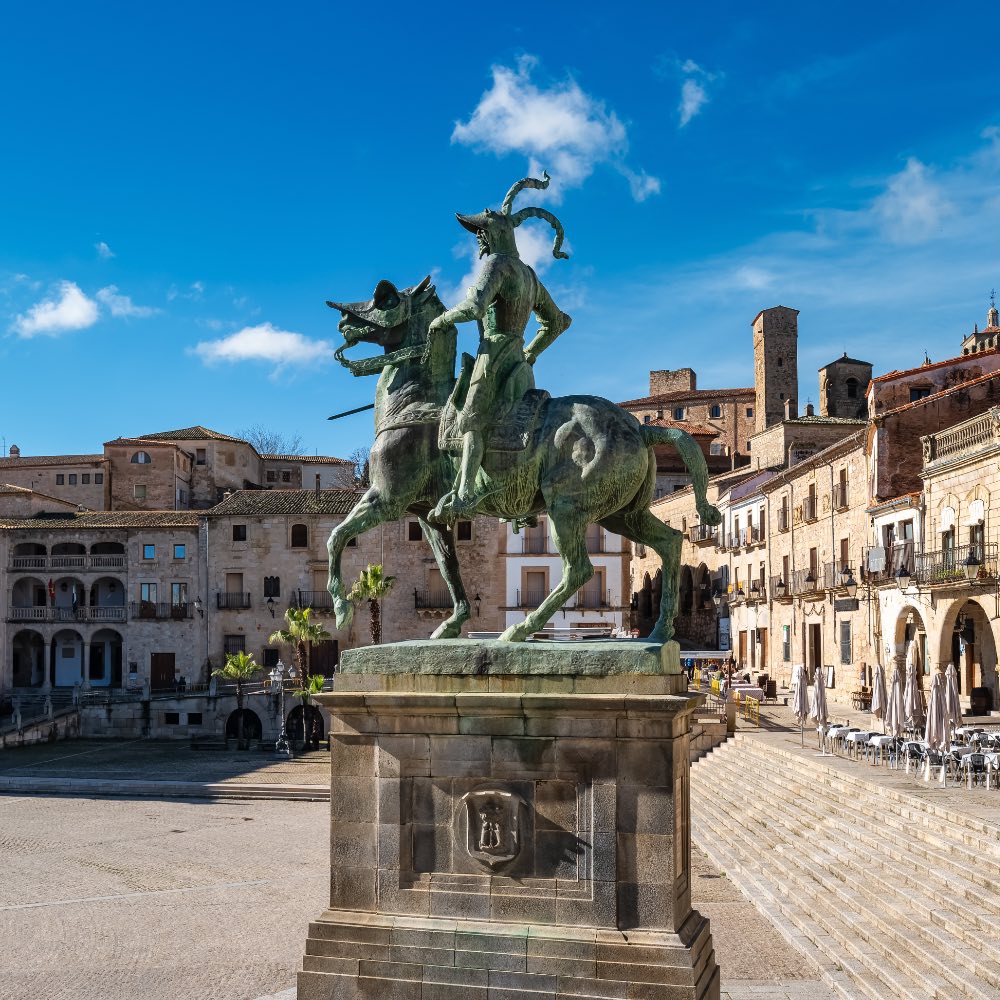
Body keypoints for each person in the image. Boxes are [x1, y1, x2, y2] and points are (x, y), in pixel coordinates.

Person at [426, 173, 572, 521]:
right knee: (513, 426)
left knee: (471, 424)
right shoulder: (530, 276)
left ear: (492, 233)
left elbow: (475, 307)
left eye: (479, 233)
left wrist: (442, 321)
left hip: (492, 357)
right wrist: (531, 353)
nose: (478, 240)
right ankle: (517, 499)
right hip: (520, 364)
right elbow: (559, 322)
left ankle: (464, 494)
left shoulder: (497, 265)